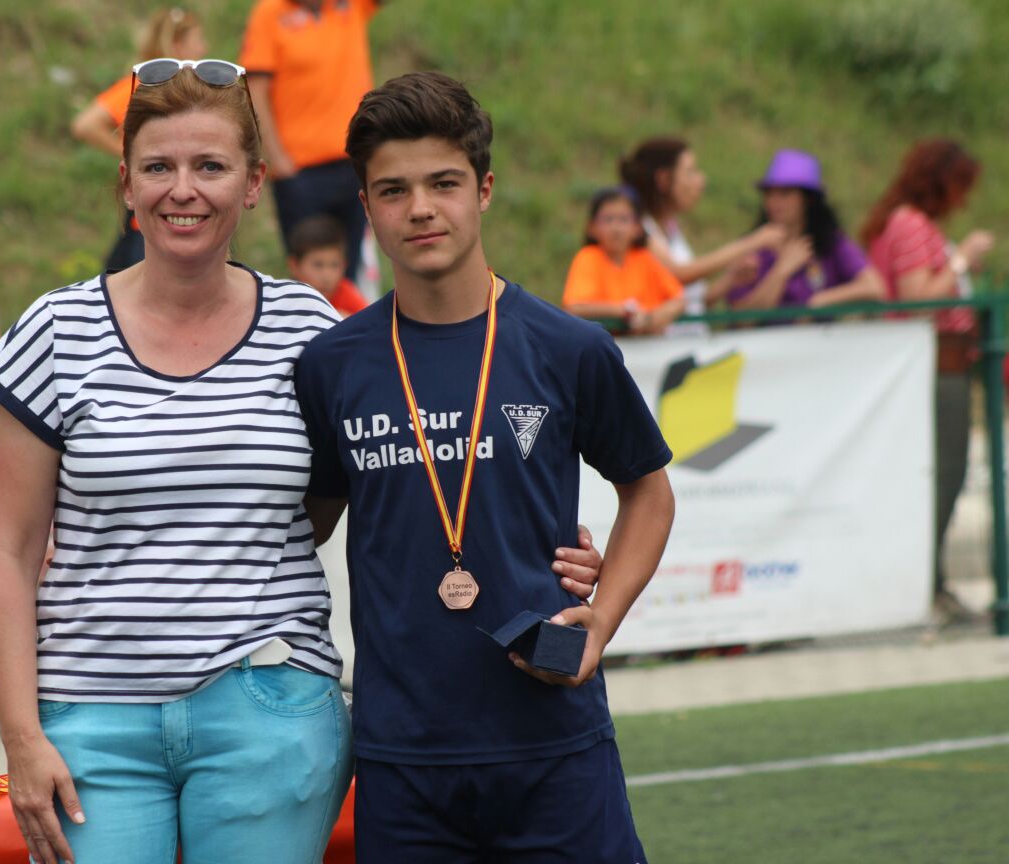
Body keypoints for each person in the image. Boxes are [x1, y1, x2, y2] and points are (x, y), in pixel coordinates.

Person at [0, 56, 609, 864]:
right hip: (91, 719)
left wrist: (544, 556)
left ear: (252, 183)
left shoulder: (310, 331)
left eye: (210, 166)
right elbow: (7, 548)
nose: (183, 190)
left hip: (269, 703)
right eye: (158, 167)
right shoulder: (55, 331)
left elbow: (393, 479)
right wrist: (21, 736)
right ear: (124, 186)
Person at [296, 71, 675, 863]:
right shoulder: (333, 365)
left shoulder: (568, 349)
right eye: (393, 190)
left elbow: (647, 492)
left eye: (444, 183)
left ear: (485, 189)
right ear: (366, 207)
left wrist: (600, 619)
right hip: (404, 759)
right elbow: (297, 521)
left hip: (554, 743)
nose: (421, 208)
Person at [860, 139, 995, 622]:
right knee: (945, 476)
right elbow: (918, 298)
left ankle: (932, 584)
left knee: (943, 476)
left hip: (943, 365)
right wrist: (963, 263)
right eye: (960, 185)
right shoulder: (912, 224)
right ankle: (925, 587)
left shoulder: (903, 222)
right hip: (937, 368)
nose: (963, 198)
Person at [239, 0, 379, 281]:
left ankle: (347, 324)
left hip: (354, 163)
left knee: (348, 273)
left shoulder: (350, 5)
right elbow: (255, 90)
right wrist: (278, 160)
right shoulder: (271, 13)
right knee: (311, 274)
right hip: (301, 173)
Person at [69, 7, 207, 271]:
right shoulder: (148, 87)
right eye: (197, 40)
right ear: (178, 45)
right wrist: (133, 156)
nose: (204, 48)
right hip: (149, 222)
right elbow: (85, 125)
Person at [619, 137, 785, 316]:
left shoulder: (670, 228)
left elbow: (695, 300)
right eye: (690, 172)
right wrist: (754, 241)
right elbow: (678, 275)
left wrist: (730, 280)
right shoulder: (638, 228)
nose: (701, 180)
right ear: (663, 179)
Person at [727, 149, 884, 313]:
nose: (774, 202)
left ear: (808, 199)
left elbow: (874, 288)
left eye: (785, 193)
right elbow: (742, 319)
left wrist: (820, 300)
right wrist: (782, 271)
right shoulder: (752, 247)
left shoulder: (832, 242)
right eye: (769, 193)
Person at [562, 186, 685, 334]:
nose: (616, 228)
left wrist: (651, 318)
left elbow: (678, 300)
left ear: (638, 228)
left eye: (624, 219)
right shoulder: (588, 257)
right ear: (591, 228)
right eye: (608, 219)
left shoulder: (644, 257)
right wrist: (623, 311)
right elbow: (574, 307)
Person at [287, 214, 368, 316]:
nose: (327, 276)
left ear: (345, 265)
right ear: (294, 265)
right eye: (318, 265)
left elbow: (373, 325)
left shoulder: (347, 294)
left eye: (335, 265)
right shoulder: (285, 298)